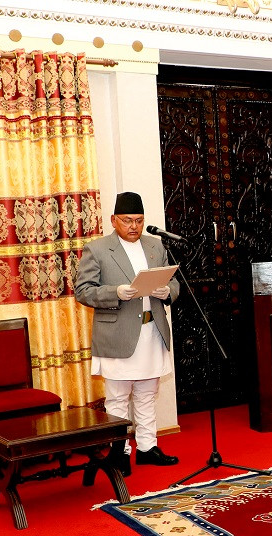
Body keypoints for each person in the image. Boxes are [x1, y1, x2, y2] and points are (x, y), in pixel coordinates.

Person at [74, 191, 181, 474]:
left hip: (151, 329)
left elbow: (175, 283)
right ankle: (118, 452)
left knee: (147, 393)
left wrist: (167, 291)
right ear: (113, 220)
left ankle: (147, 447)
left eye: (139, 221)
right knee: (118, 397)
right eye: (127, 221)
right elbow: (83, 291)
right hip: (117, 333)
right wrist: (116, 292)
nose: (133, 227)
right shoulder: (97, 249)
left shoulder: (155, 246)